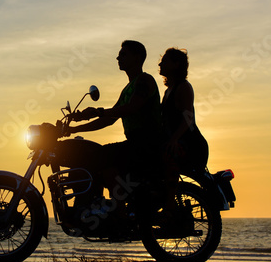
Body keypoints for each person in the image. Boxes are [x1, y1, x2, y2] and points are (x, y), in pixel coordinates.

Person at [66, 40, 162, 213]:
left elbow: (132, 107)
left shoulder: (144, 80)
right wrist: (74, 128)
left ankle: (119, 208)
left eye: (123, 54)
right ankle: (110, 205)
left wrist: (99, 112)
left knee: (100, 155)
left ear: (137, 57)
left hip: (147, 142)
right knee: (99, 158)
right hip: (136, 141)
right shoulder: (128, 88)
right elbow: (109, 119)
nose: (118, 57)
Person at [158, 47, 209, 213]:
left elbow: (188, 118)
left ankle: (170, 205)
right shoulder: (167, 92)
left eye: (164, 61)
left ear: (176, 64)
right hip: (177, 142)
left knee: (167, 154)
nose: (160, 63)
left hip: (191, 145)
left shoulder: (184, 87)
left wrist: (174, 139)